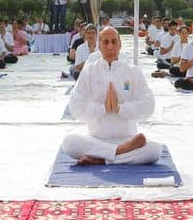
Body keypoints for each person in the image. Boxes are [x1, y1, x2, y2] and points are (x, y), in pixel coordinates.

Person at [62, 26, 162, 165]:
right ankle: (119, 153)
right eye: (106, 42)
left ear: (120, 45)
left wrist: (120, 108)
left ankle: (102, 158)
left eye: (114, 42)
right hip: (96, 139)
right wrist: (103, 108)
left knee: (155, 150)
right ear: (99, 46)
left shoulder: (132, 71)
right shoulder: (90, 71)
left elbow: (148, 105)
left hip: (127, 138)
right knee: (69, 142)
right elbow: (75, 105)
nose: (110, 47)